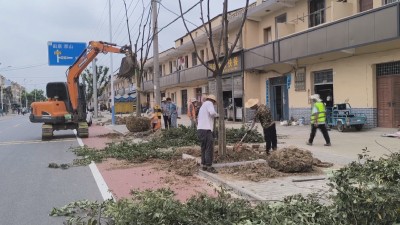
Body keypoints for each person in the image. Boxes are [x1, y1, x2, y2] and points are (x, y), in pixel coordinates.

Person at [197, 94, 219, 173]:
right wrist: (217, 115)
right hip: (206, 129)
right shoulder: (209, 103)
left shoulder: (203, 106)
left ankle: (204, 165)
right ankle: (209, 166)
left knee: (204, 147)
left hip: (200, 129)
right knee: (209, 148)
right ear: (212, 101)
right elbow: (212, 113)